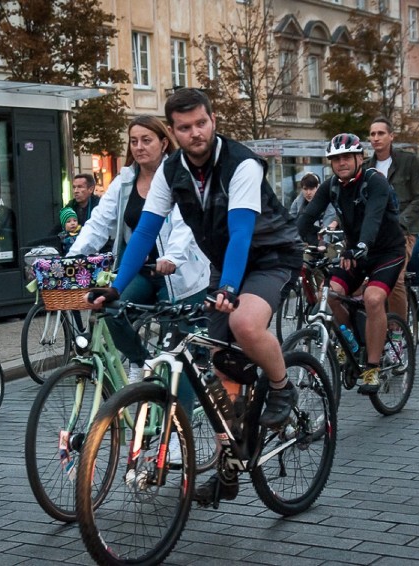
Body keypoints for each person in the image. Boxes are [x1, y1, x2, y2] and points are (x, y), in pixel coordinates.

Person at [86, 88, 303, 504]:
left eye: (201, 123)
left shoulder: (242, 164)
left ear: (213, 120)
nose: (195, 133)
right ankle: (230, 466)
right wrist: (114, 286)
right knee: (221, 364)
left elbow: (241, 233)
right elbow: (146, 231)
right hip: (227, 265)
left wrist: (227, 288)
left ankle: (281, 385)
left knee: (243, 322)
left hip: (270, 255)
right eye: (184, 127)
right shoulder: (171, 171)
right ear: (173, 131)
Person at [68, 115, 210, 385]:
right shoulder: (124, 182)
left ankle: (181, 423)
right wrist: (73, 257)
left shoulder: (181, 176)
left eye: (146, 140)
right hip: (143, 270)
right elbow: (98, 223)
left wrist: (172, 257)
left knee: (177, 350)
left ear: (164, 143)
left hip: (180, 274)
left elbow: (184, 224)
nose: (139, 147)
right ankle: (140, 360)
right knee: (110, 308)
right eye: (134, 141)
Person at [298, 133, 406, 394]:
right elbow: (305, 219)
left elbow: (373, 218)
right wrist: (309, 244)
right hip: (354, 252)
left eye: (347, 157)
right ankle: (353, 344)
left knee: (372, 298)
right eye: (335, 159)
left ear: (360, 157)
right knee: (330, 294)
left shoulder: (374, 182)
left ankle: (372, 367)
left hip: (387, 253)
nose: (341, 163)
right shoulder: (331, 186)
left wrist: (360, 246)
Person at [366, 117, 419, 331]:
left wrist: (400, 222)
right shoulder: (366, 167)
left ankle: (398, 334)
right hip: (375, 233)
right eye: (372, 134)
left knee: (395, 279)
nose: (376, 138)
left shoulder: (409, 161)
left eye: (381, 133)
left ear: (391, 136)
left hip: (405, 231)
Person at [289, 172, 337, 244]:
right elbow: (291, 221)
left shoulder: (328, 203)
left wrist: (324, 245)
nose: (308, 193)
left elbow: (327, 225)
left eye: (311, 189)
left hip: (322, 238)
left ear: (318, 188)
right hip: (304, 241)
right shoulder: (298, 201)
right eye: (305, 189)